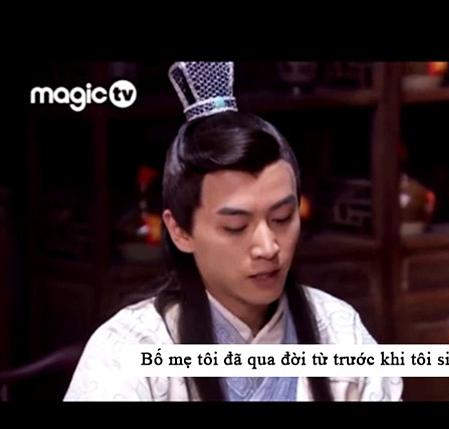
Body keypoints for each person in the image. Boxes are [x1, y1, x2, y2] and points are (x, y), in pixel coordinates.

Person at [64, 62, 403, 401]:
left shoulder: (339, 332)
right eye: (236, 226)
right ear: (180, 230)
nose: (268, 247)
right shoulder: (127, 350)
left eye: (282, 217)